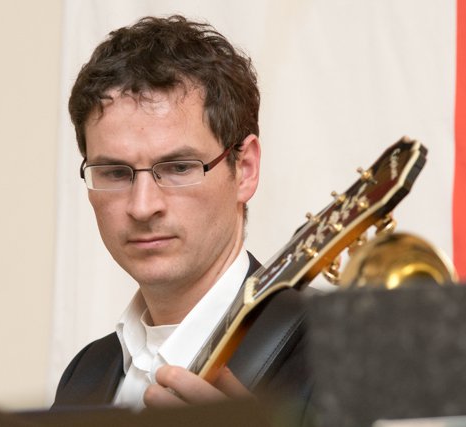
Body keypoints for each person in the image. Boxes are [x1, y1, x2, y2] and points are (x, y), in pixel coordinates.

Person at [53, 15, 315, 424]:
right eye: (115, 173)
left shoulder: (339, 356)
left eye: (178, 167)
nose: (143, 206)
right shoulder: (85, 373)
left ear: (245, 169)